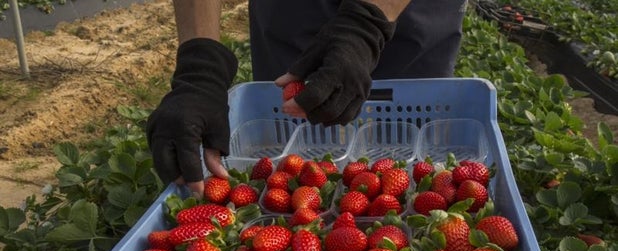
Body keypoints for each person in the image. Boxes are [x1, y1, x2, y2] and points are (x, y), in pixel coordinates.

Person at [146, 0, 467, 197]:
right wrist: (200, 64)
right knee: (298, 112)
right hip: (294, 7)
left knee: (411, 150)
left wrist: (369, 22)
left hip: (413, 11)